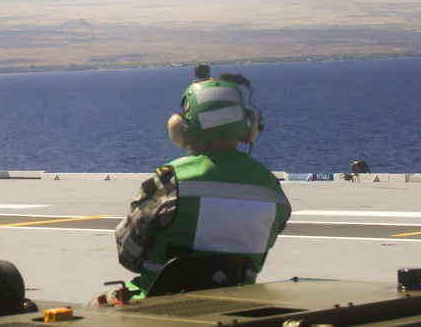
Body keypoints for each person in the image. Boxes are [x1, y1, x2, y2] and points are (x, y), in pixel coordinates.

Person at [114, 70, 290, 297]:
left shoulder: (169, 183)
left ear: (182, 127)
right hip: (240, 304)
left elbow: (127, 252)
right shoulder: (271, 189)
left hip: (160, 304)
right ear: (249, 125)